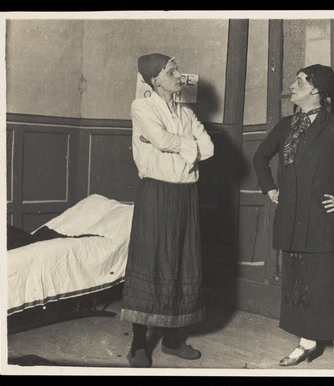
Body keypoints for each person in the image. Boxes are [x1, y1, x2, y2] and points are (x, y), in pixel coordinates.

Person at [253, 64, 334, 370]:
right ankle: (305, 343)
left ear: (316, 91)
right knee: (297, 286)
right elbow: (259, 157)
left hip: (321, 222)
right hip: (291, 220)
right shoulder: (285, 125)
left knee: (324, 287)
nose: (292, 86)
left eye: (299, 82)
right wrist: (269, 188)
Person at [120, 53, 214, 368]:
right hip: (156, 193)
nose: (179, 76)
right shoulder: (142, 107)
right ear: (155, 79)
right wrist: (184, 145)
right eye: (171, 71)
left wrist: (172, 143)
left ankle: (172, 340)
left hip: (186, 194)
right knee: (152, 261)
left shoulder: (186, 113)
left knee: (180, 263)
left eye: (177, 70)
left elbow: (210, 148)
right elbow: (159, 138)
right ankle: (137, 344)